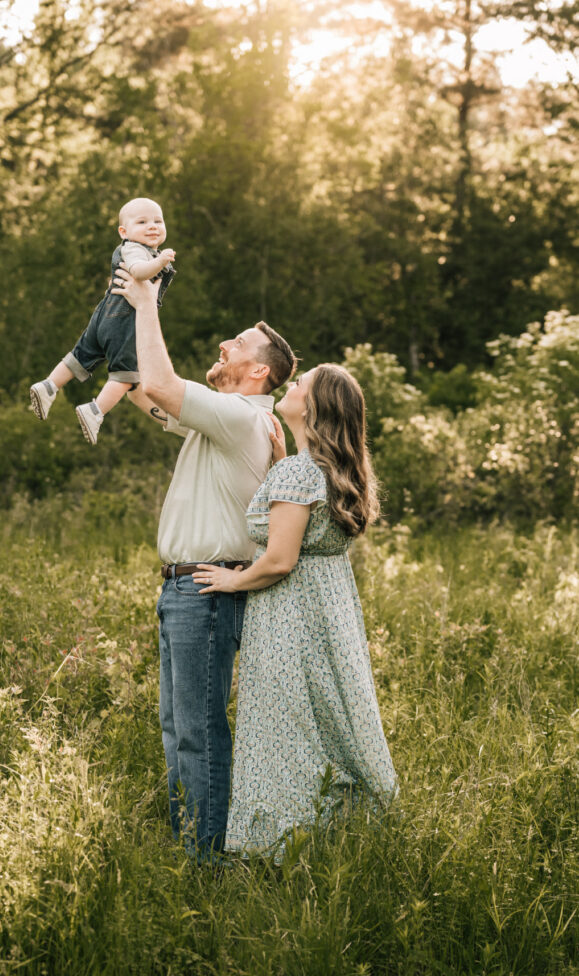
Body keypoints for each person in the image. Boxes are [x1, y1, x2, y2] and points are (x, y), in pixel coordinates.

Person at [115, 268, 297, 858]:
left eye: (238, 344)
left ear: (259, 371)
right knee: (178, 732)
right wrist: (122, 314)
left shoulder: (240, 415)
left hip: (208, 590)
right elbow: (145, 389)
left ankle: (205, 863)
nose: (225, 344)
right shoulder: (223, 417)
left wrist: (147, 303)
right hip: (183, 590)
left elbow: (165, 386)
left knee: (198, 734)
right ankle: (190, 849)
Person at [193, 363, 398, 858]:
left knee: (284, 728)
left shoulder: (296, 472)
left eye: (300, 385)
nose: (291, 385)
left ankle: (280, 844)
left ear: (313, 407)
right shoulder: (328, 470)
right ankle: (340, 836)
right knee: (328, 721)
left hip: (288, 615)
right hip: (330, 611)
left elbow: (281, 560)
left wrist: (232, 578)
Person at [29, 197, 176, 444]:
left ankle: (49, 386)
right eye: (142, 222)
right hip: (125, 321)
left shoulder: (140, 249)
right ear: (124, 231)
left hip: (104, 316)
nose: (152, 226)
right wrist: (159, 262)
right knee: (126, 373)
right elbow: (139, 272)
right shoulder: (134, 249)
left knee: (80, 355)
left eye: (158, 221)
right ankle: (95, 411)